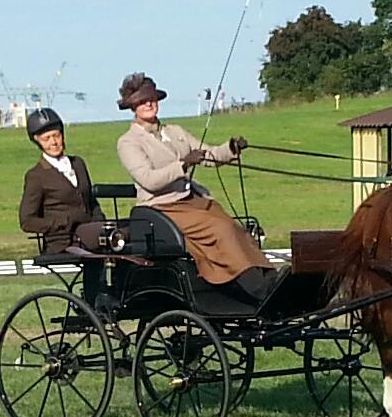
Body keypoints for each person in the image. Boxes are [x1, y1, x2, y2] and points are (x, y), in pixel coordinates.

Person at [115, 72, 273, 298]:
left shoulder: (175, 132)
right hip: (162, 207)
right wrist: (183, 164)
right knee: (220, 229)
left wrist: (230, 149)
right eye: (142, 101)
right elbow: (149, 180)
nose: (149, 104)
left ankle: (268, 275)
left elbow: (207, 155)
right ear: (133, 106)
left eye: (152, 98)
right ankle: (256, 287)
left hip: (193, 201)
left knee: (236, 228)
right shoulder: (129, 142)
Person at [19, 108, 105, 253]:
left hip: (90, 235)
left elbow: (90, 201)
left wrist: (100, 221)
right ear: (37, 141)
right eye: (46, 139)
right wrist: (62, 223)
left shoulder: (78, 163)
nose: (53, 142)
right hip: (62, 242)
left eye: (56, 136)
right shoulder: (36, 176)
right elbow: (27, 221)